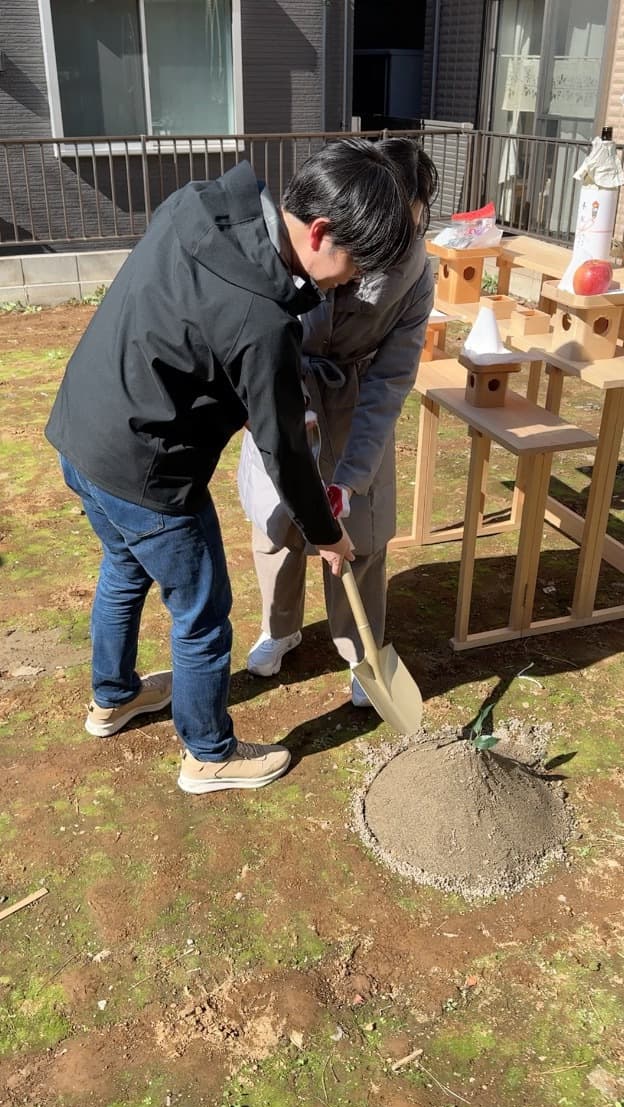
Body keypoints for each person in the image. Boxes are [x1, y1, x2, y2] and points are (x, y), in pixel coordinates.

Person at [45, 138, 415, 795]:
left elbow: (184, 328)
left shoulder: (200, 205)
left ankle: (113, 698)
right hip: (147, 473)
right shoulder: (262, 321)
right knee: (203, 612)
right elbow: (285, 452)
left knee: (123, 570)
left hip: (82, 432)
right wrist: (327, 533)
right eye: (353, 264)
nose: (349, 282)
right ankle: (209, 754)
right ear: (320, 231)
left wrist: (249, 394)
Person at [237, 137, 437, 706]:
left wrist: (350, 477)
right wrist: (279, 402)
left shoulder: (416, 274)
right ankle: (279, 628)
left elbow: (391, 380)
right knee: (276, 525)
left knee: (361, 538)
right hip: (282, 391)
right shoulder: (309, 241)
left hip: (353, 406)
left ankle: (360, 650)